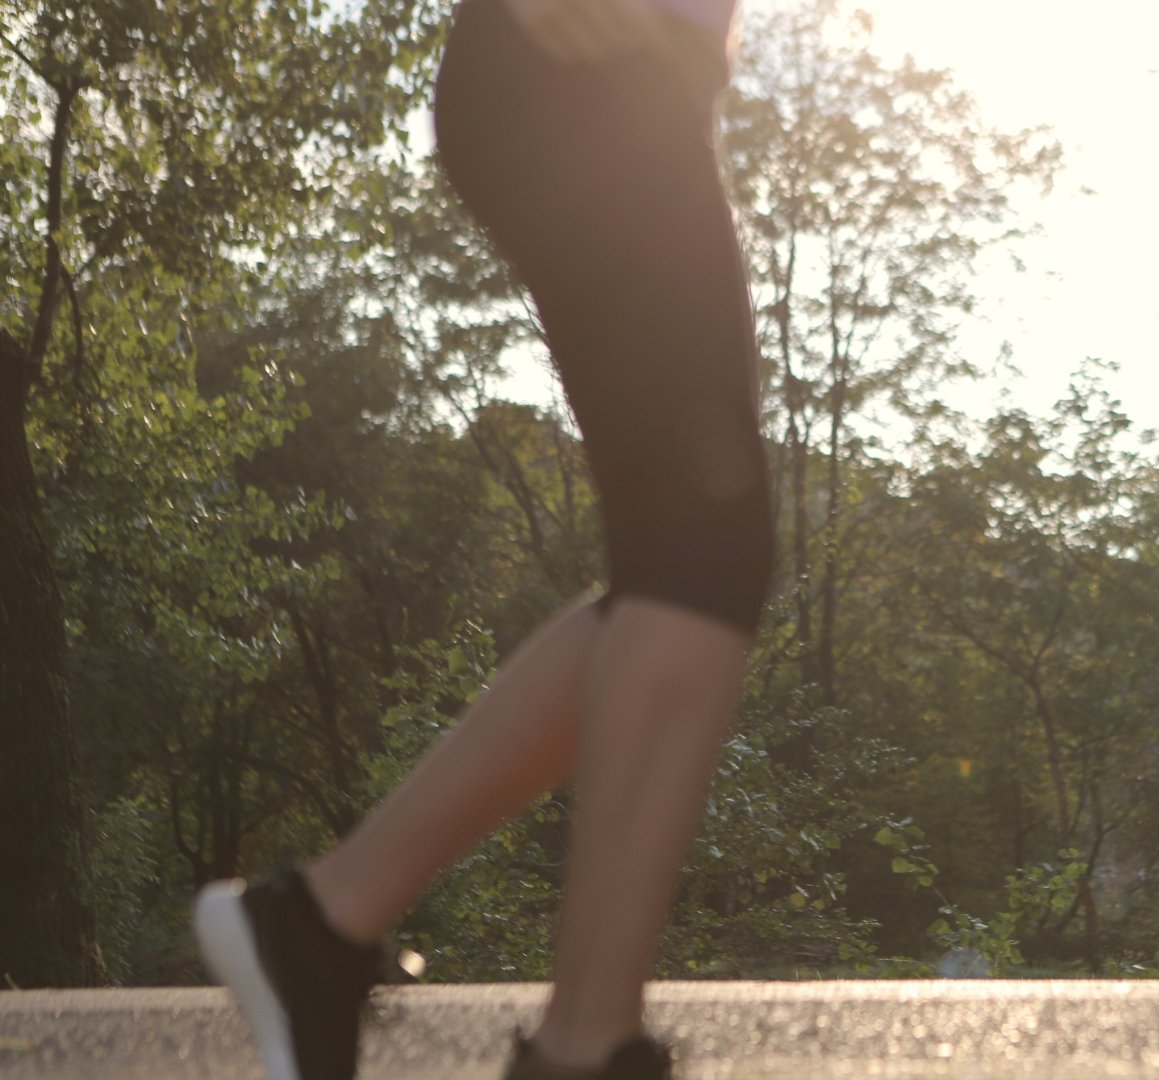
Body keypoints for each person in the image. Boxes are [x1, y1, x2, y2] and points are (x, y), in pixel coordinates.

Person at [191, 0, 770, 1077]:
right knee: (703, 558)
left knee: (686, 567)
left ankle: (319, 927)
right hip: (585, 72)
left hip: (625, 84)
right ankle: (581, 1042)